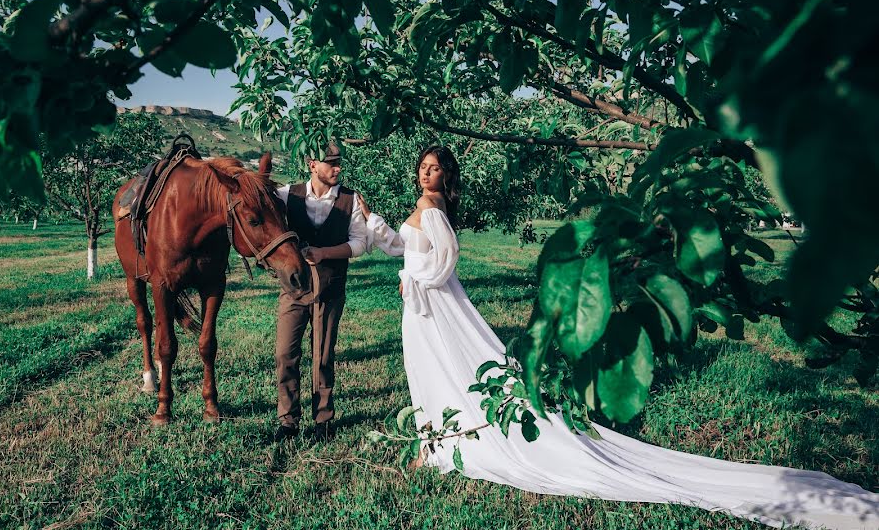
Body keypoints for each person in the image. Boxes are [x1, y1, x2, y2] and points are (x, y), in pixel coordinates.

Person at [360, 144, 879, 530]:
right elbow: (400, 248)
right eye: (425, 168)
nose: (430, 174)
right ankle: (437, 440)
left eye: (437, 169)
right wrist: (372, 223)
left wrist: (416, 279)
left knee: (446, 364)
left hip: (434, 303)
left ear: (446, 175)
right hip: (420, 306)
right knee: (426, 368)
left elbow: (446, 262)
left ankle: (448, 441)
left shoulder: (435, 211)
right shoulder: (421, 211)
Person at [274, 142, 368, 441]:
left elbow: (360, 244)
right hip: (294, 290)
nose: (338, 168)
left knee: (323, 356)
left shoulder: (351, 200)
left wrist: (325, 253)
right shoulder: (287, 194)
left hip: (330, 288)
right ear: (312, 164)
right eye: (331, 163)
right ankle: (288, 421)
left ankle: (323, 421)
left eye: (340, 162)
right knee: (285, 353)